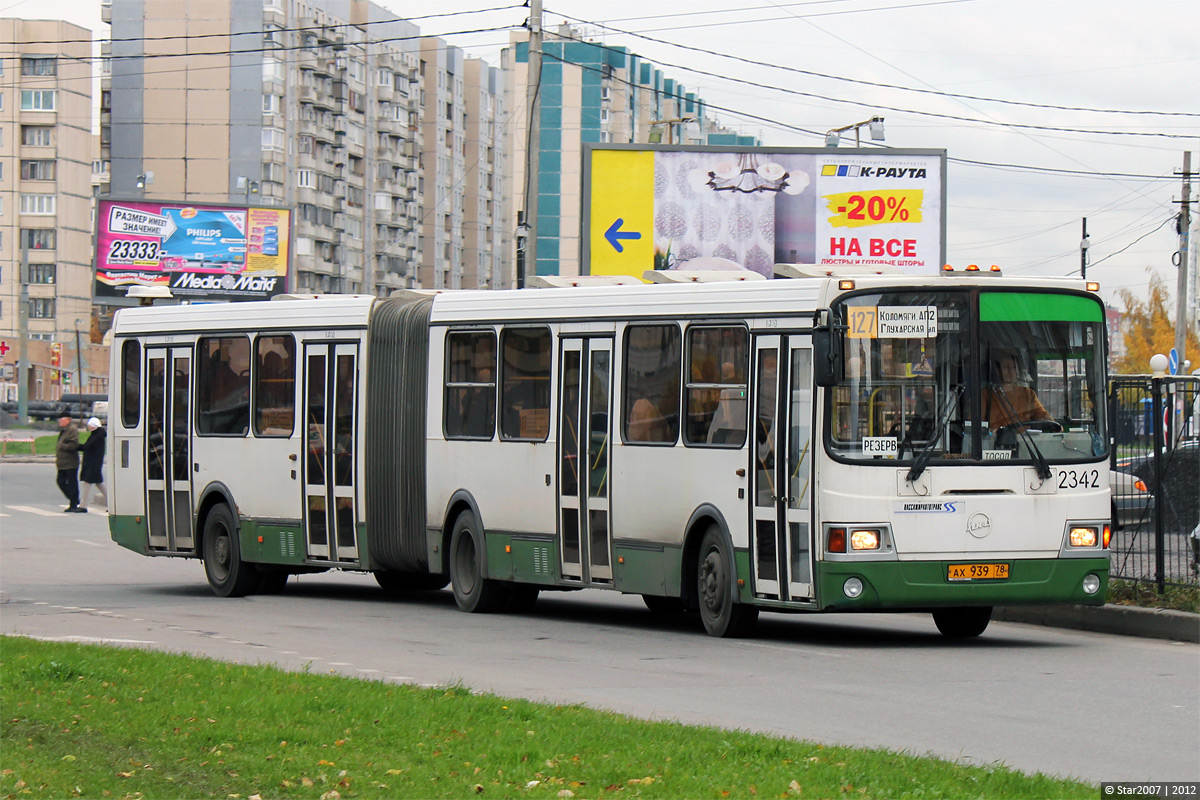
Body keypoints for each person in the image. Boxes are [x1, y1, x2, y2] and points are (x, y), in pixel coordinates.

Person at [984, 351, 1054, 431]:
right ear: (997, 370)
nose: (1010, 372)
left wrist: (1052, 424)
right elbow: (975, 424)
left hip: (1023, 441)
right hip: (996, 441)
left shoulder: (1027, 393)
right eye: (1006, 367)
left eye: (1013, 367)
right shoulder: (985, 394)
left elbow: (1041, 414)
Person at [55, 414, 84, 513]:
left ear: (68, 420)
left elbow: (74, 444)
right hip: (62, 462)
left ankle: (74, 502)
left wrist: (62, 446)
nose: (60, 422)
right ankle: (73, 499)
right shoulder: (64, 429)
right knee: (60, 481)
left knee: (72, 483)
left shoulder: (72, 429)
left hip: (70, 462)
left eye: (61, 420)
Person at [79, 417, 108, 509]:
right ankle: (111, 503)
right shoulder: (98, 435)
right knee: (99, 484)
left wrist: (76, 446)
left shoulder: (97, 436)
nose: (89, 427)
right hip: (94, 464)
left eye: (90, 425)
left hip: (93, 464)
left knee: (87, 483)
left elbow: (87, 447)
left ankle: (83, 505)